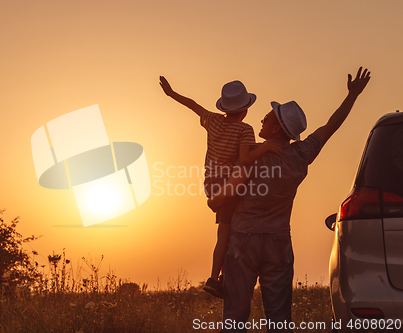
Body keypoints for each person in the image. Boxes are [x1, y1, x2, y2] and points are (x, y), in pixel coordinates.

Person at [209, 67, 371, 332]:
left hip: (241, 241)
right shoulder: (300, 156)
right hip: (278, 242)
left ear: (275, 128)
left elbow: (221, 189)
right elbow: (330, 126)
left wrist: (213, 201)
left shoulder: (250, 155)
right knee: (279, 320)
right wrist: (352, 96)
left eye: (267, 118)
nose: (261, 119)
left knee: (235, 318)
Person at [159, 76, 282, 298]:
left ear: (224, 107)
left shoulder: (212, 120)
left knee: (226, 231)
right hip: (228, 186)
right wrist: (266, 147)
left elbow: (192, 105)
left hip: (210, 184)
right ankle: (215, 279)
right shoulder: (245, 130)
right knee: (226, 234)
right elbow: (245, 159)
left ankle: (221, 278)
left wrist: (171, 93)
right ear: (245, 109)